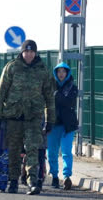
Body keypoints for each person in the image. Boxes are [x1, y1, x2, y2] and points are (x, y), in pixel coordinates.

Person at [0, 40, 55, 195]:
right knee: (13, 151)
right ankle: (13, 182)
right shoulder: (11, 67)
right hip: (13, 116)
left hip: (33, 117)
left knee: (32, 149)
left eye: (32, 52)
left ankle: (33, 182)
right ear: (22, 52)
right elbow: (1, 93)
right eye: (26, 52)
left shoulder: (42, 70)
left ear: (35, 53)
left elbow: (49, 97)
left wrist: (50, 120)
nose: (29, 54)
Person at [47, 62, 78, 190]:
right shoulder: (50, 86)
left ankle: (66, 177)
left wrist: (56, 96)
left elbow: (68, 101)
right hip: (53, 124)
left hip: (67, 125)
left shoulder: (72, 87)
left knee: (66, 152)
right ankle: (54, 176)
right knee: (52, 153)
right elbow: (47, 101)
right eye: (58, 71)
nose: (61, 74)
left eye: (63, 71)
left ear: (67, 73)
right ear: (55, 73)